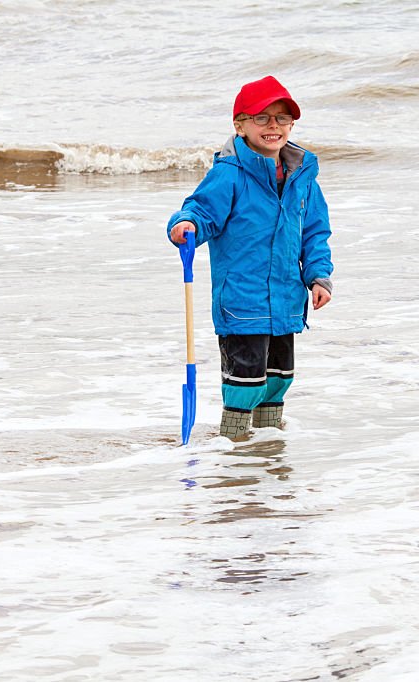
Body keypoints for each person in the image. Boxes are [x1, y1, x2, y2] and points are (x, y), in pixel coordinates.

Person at [168, 75, 333, 440]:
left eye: (282, 118)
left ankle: (266, 449)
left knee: (278, 380)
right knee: (245, 382)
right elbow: (200, 211)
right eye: (261, 118)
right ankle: (234, 445)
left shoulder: (303, 176)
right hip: (241, 303)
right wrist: (185, 225)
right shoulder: (229, 174)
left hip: (288, 300)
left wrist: (318, 277)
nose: (273, 126)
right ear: (240, 125)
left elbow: (314, 232)